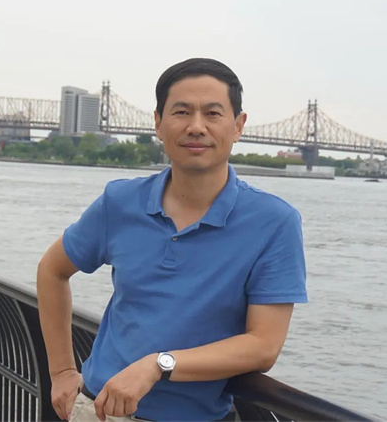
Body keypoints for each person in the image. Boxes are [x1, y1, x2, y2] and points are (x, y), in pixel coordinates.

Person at [37, 58, 307, 422]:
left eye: (213, 113)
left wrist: (159, 365)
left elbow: (263, 346)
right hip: (96, 410)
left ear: (238, 126)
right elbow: (52, 270)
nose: (196, 126)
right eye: (181, 112)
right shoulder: (120, 202)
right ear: (158, 124)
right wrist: (61, 372)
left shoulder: (274, 222)